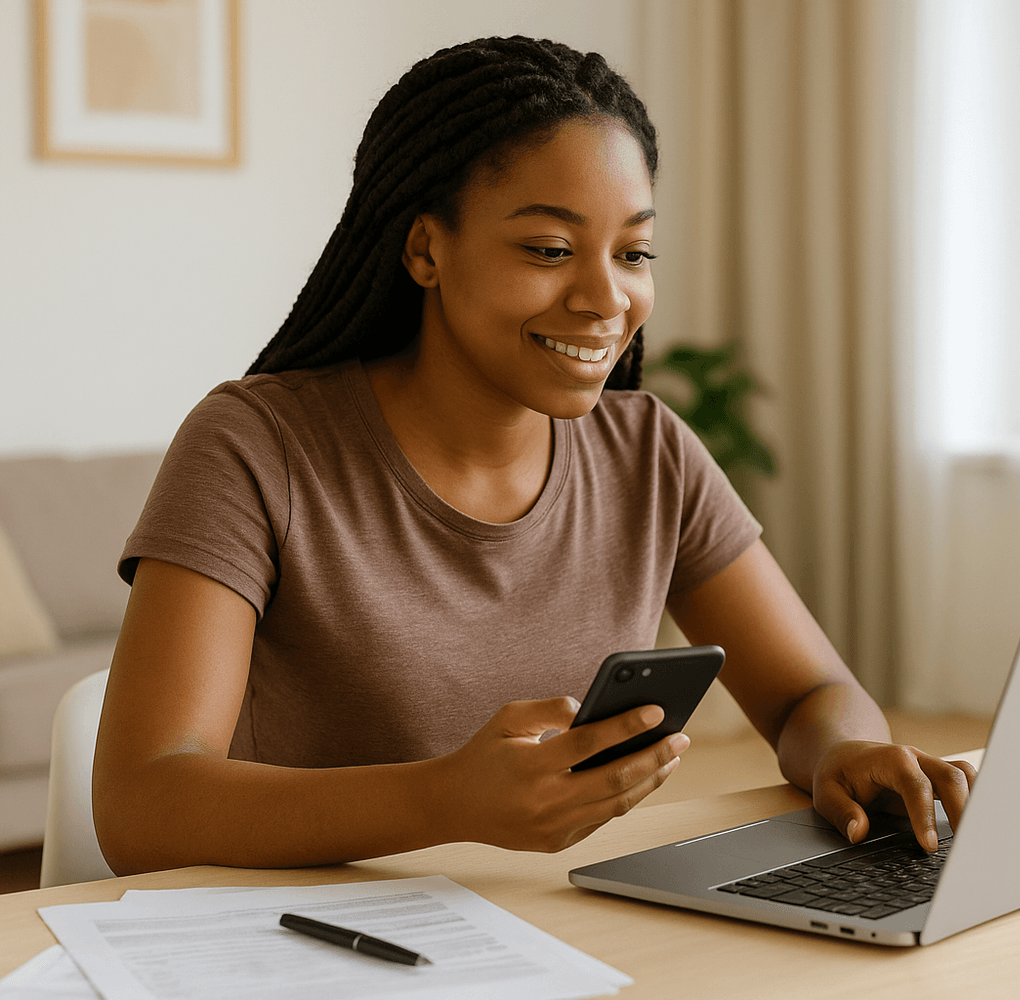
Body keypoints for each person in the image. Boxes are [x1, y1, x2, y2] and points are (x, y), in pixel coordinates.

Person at [93, 35, 975, 876]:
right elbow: (142, 805)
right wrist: (444, 800)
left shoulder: (648, 452)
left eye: (633, 252)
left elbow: (807, 693)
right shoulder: (256, 448)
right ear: (426, 248)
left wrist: (848, 753)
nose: (605, 298)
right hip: (300, 946)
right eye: (550, 250)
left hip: (555, 932)